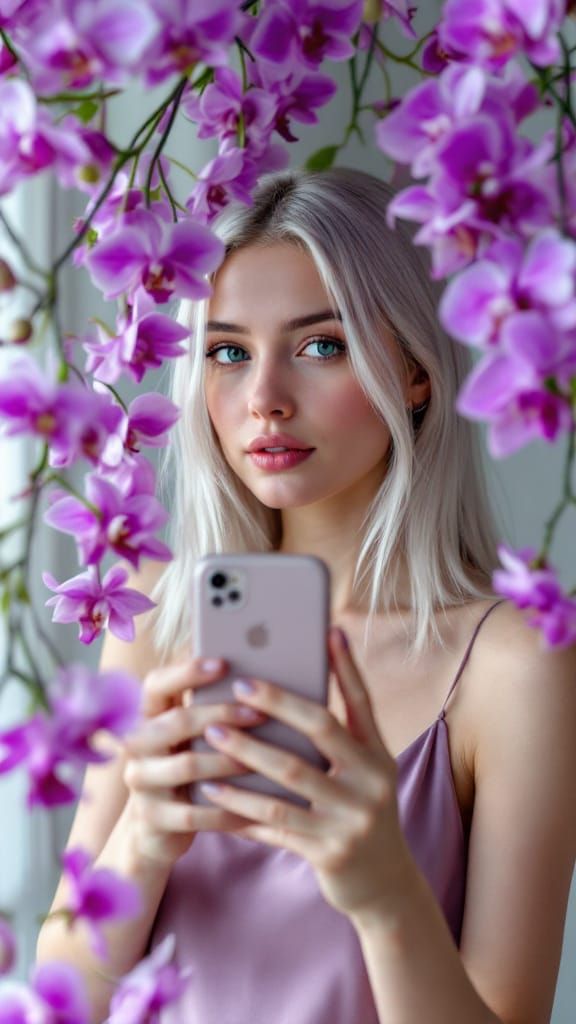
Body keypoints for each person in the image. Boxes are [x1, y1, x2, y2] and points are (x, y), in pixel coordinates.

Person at [36, 168, 576, 1024]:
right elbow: (62, 994)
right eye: (228, 352)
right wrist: (143, 836)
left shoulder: (513, 668)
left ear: (416, 372)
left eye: (321, 346)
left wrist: (387, 897)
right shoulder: (155, 611)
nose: (264, 401)